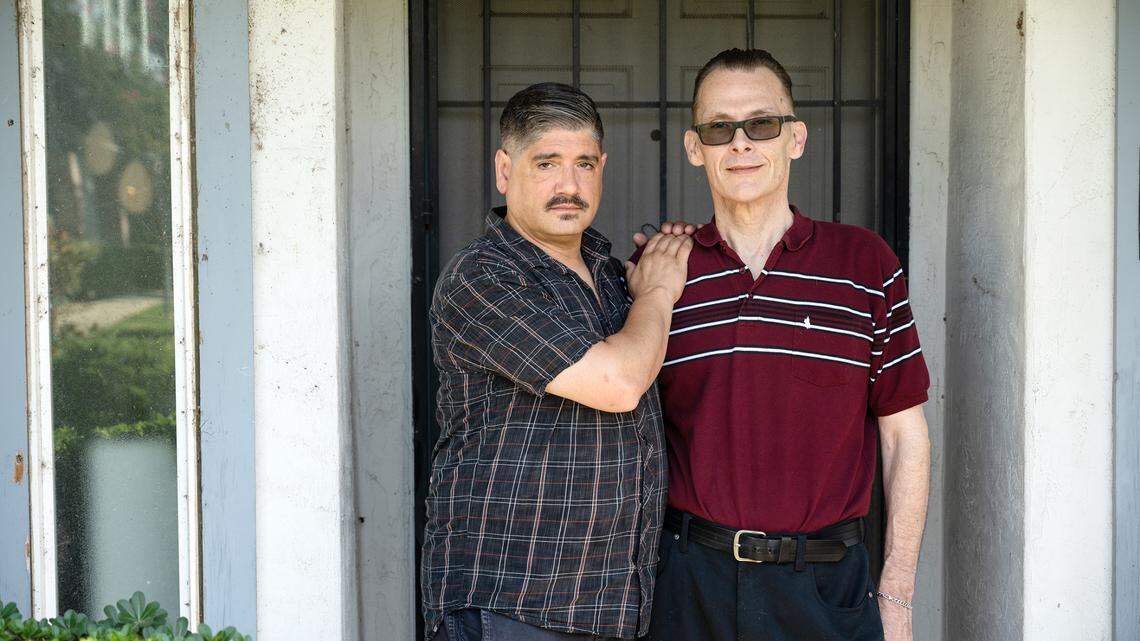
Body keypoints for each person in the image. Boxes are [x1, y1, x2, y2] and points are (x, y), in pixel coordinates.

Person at [634, 49, 931, 641]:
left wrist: (897, 596)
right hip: (691, 588)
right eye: (719, 128)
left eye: (762, 124)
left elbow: (905, 437)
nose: (740, 143)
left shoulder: (864, 264)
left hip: (826, 589)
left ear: (796, 138)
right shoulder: (661, 274)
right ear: (694, 148)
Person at [421, 82, 692, 641]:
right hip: (512, 607)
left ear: (602, 168)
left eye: (584, 164)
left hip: (611, 607)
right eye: (546, 163)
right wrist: (659, 292)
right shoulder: (484, 277)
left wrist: (668, 262)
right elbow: (619, 383)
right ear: (504, 170)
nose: (569, 186)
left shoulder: (612, 276)